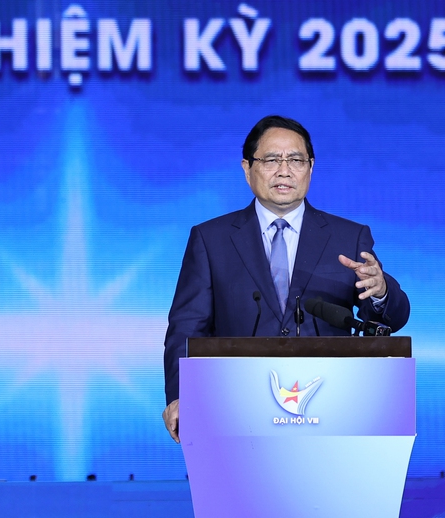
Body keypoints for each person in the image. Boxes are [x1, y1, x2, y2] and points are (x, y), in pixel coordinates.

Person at [162, 115, 410, 442]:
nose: (284, 170)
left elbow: (392, 319)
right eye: (270, 160)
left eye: (295, 160)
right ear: (247, 168)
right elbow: (186, 327)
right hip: (234, 409)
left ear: (311, 167)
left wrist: (380, 292)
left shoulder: (348, 237)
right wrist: (180, 395)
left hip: (332, 410)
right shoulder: (211, 239)